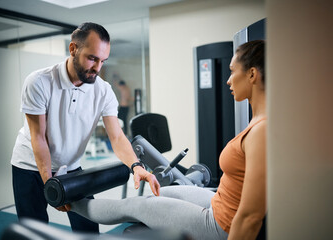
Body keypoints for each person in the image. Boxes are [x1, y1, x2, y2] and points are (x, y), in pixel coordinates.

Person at [67, 40, 267, 239]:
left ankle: (68, 202)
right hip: (219, 201)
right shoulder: (259, 120)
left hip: (219, 223)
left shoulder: (262, 131)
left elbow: (250, 216)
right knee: (157, 195)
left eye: (233, 71)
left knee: (135, 205)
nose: (228, 80)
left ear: (251, 74)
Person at [10, 22, 160, 233]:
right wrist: (51, 185)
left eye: (103, 61)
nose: (98, 68)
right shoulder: (39, 82)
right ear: (73, 49)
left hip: (71, 166)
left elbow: (116, 137)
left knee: (88, 227)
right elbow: (39, 137)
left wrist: (136, 166)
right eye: (92, 58)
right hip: (30, 166)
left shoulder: (104, 91)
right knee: (33, 230)